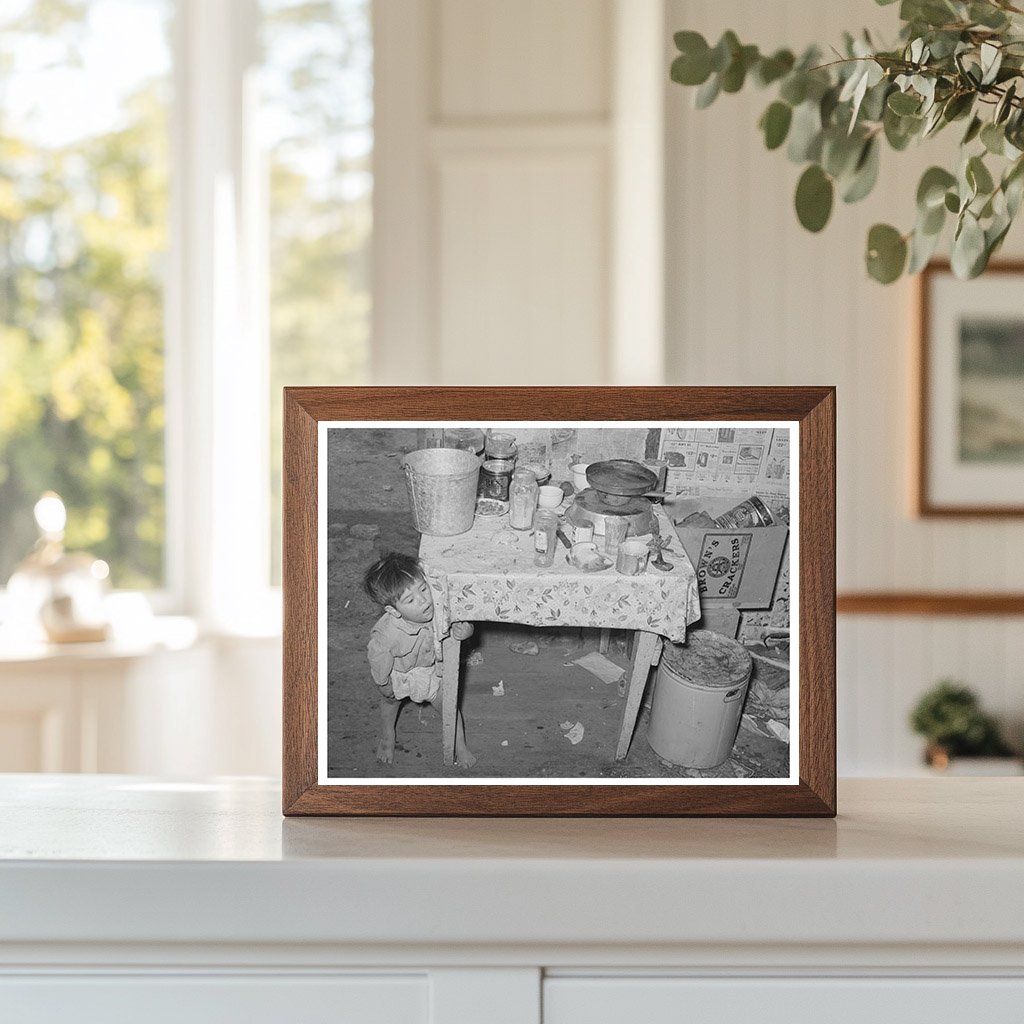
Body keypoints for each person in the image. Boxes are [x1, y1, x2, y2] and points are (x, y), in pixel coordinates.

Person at [363, 552, 476, 767]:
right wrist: (384, 683)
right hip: (400, 674)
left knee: (449, 705)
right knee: (389, 702)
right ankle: (387, 735)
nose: (424, 600)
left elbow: (464, 622)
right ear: (393, 611)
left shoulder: (440, 608)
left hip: (431, 670)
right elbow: (378, 659)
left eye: (423, 589)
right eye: (410, 599)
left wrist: (466, 631)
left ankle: (459, 743)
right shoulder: (387, 634)